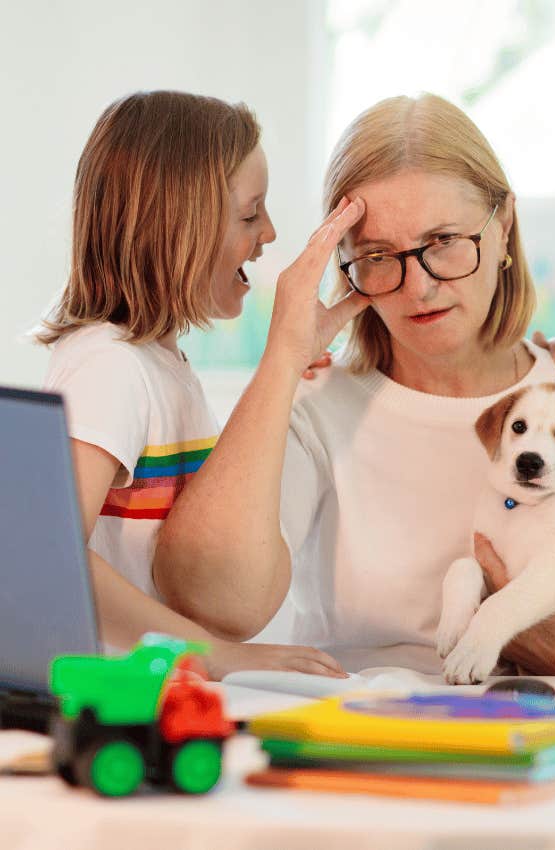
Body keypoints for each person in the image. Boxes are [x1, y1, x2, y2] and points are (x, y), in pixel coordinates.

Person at [155, 93, 555, 677]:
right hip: (361, 730)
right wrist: (282, 360)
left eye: (445, 241)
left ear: (504, 225)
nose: (418, 288)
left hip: (547, 738)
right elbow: (217, 604)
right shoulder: (315, 407)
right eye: (377, 255)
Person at [36, 90, 349, 679]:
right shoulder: (109, 366)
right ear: (178, 226)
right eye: (251, 213)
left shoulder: (159, 363)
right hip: (116, 696)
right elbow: (53, 553)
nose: (271, 233)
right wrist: (213, 655)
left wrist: (287, 369)